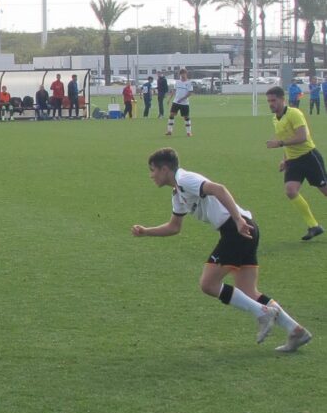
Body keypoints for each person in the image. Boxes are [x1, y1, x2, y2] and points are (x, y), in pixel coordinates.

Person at [131, 148, 311, 353]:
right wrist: (146, 232)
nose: (151, 175)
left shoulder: (184, 179)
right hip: (245, 228)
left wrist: (237, 219)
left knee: (208, 284)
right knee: (248, 291)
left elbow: (219, 189)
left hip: (236, 229)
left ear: (165, 169)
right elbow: (174, 227)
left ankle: (263, 313)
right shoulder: (177, 194)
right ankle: (295, 330)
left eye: (153, 170)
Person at [265, 85, 326, 240]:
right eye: (269, 101)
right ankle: (314, 226)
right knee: (291, 190)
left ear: (282, 99)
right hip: (293, 160)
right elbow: (287, 139)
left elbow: (302, 137)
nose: (271, 104)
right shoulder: (275, 118)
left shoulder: (294, 113)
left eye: (273, 100)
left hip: (309, 157)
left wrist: (279, 144)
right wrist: (284, 159)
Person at [166, 68, 193, 137]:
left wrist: (182, 99)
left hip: (184, 103)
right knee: (171, 114)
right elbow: (174, 91)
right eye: (181, 74)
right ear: (180, 74)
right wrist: (169, 99)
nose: (182, 75)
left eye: (184, 73)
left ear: (186, 74)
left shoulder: (189, 83)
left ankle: (189, 132)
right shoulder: (177, 82)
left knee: (186, 117)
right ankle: (169, 131)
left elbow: (190, 93)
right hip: (176, 102)